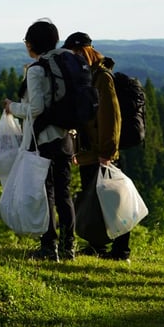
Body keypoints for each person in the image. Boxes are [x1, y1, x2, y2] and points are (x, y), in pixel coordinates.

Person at [3, 19, 77, 261]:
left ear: (32, 43)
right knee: (64, 194)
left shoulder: (37, 70)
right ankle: (69, 248)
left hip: (43, 140)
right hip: (65, 137)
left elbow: (35, 108)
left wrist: (12, 107)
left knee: (46, 194)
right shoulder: (62, 64)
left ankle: (49, 248)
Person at [63, 31, 131, 261]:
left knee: (114, 201)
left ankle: (121, 251)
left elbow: (111, 116)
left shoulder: (102, 77)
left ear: (83, 51)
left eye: (73, 53)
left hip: (102, 153)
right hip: (89, 153)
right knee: (93, 200)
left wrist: (107, 152)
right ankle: (97, 246)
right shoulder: (88, 76)